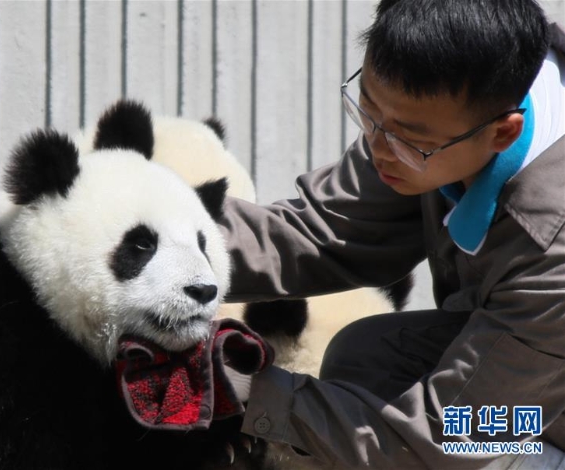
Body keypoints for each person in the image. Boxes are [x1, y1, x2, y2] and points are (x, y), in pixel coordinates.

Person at [219, 0, 565, 468]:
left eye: (406, 137)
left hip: (531, 398)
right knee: (369, 361)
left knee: (480, 451)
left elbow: (443, 439)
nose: (377, 149)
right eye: (368, 110)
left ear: (503, 133)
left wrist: (242, 393)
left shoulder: (552, 246)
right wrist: (170, 246)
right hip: (540, 362)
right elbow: (321, 230)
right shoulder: (465, 101)